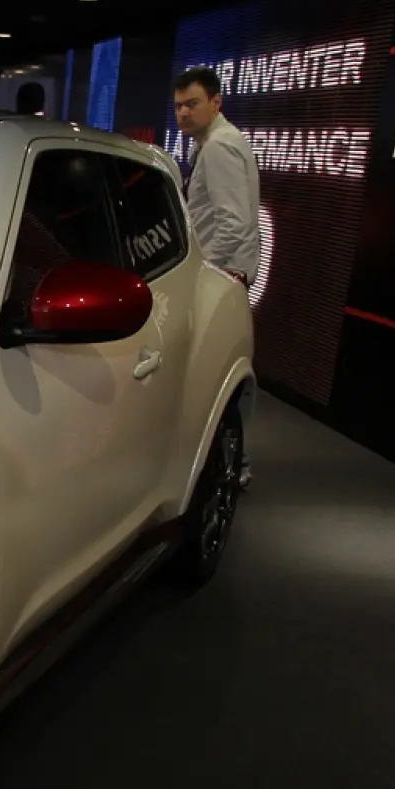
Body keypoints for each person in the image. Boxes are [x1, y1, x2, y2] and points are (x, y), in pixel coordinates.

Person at [172, 64, 259, 487]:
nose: (183, 113)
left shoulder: (221, 146)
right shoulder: (211, 142)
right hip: (223, 273)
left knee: (221, 372)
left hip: (222, 275)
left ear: (215, 102)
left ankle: (233, 463)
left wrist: (206, 273)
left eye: (192, 104)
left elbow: (234, 222)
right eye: (178, 106)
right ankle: (232, 461)